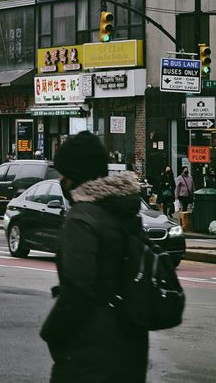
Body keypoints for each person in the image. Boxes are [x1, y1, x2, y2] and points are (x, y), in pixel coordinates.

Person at [40, 131, 148, 383]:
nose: (61, 179)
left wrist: (52, 333)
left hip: (89, 347)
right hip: (130, 339)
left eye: (63, 173)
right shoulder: (124, 212)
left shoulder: (82, 218)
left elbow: (78, 288)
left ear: (75, 174)